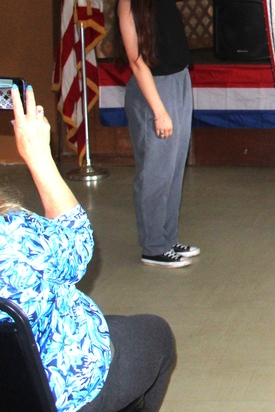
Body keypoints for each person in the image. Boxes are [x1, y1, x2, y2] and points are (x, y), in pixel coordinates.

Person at [1, 84, 176, 411]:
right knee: (158, 335)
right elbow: (77, 246)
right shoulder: (13, 236)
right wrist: (39, 157)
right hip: (60, 390)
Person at [112, 0, 262, 268]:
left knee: (173, 166)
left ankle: (167, 239)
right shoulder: (128, 2)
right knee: (155, 169)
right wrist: (159, 111)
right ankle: (152, 247)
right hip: (154, 90)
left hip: (178, 81)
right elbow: (136, 62)